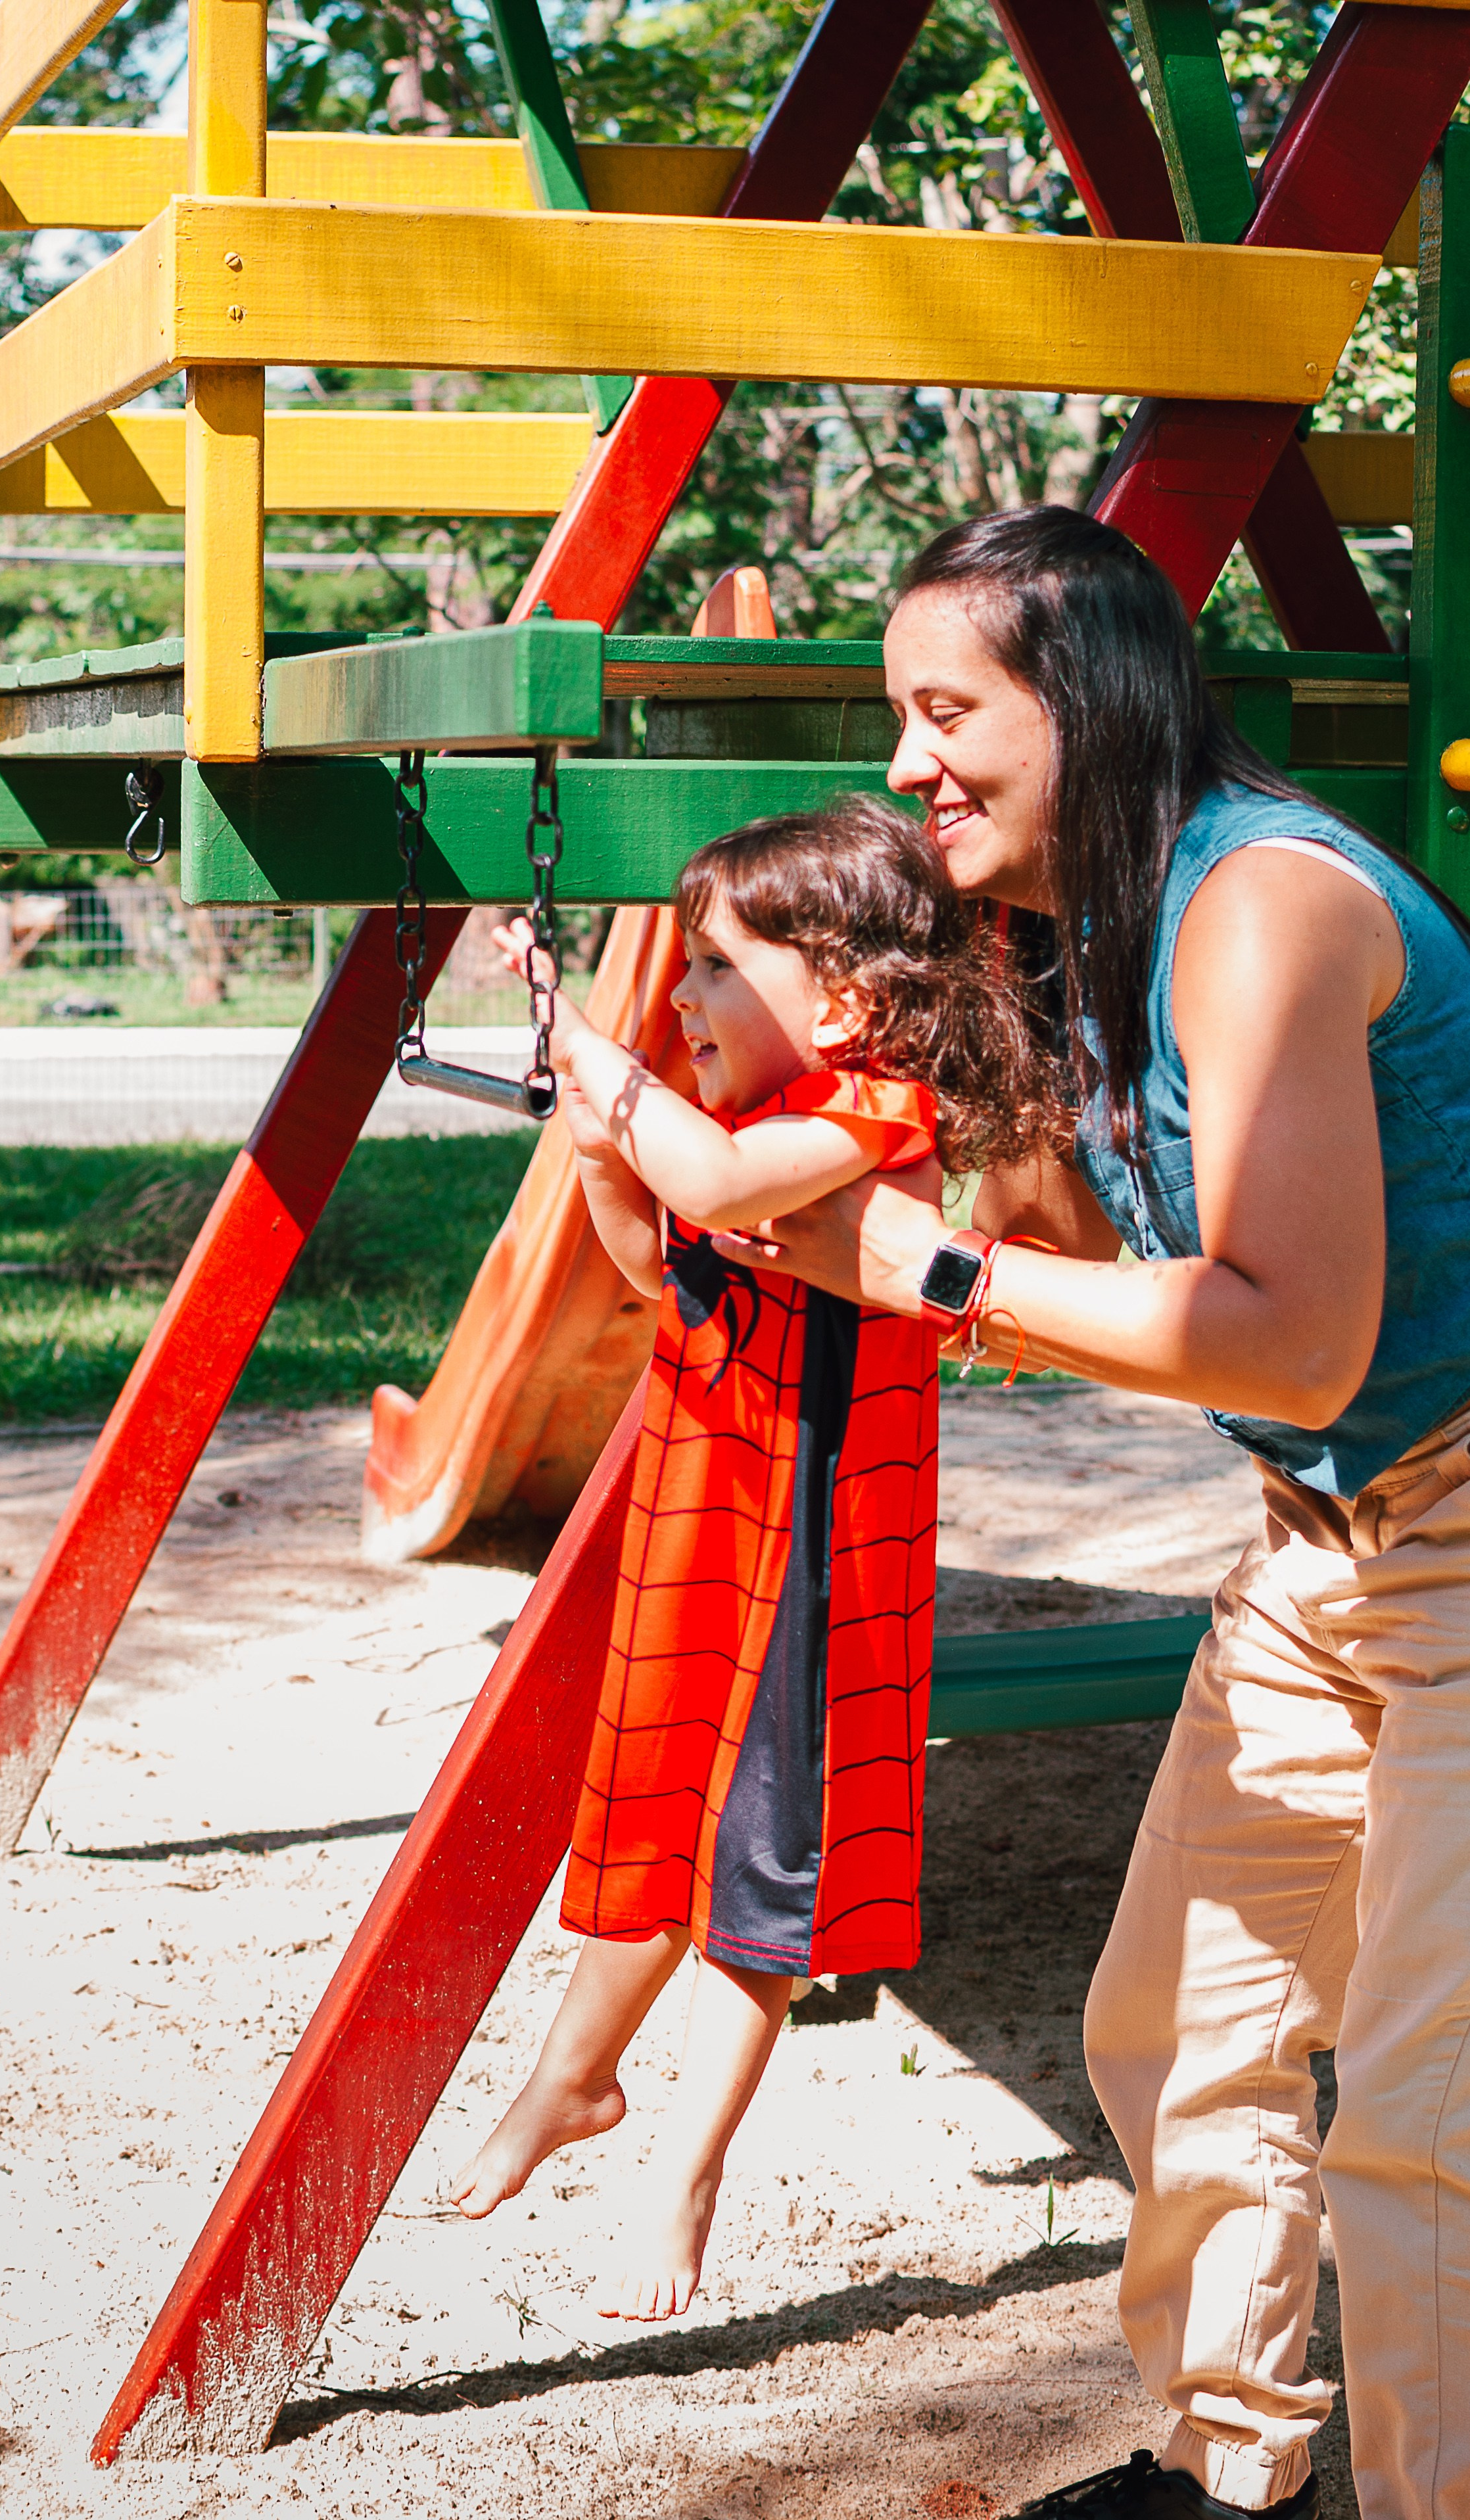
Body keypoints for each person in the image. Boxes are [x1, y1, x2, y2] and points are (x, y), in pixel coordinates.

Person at [723, 505, 1470, 2520]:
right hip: (1324, 1538)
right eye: (898, 715)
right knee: (1172, 2022)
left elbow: (1289, 1337)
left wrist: (931, 1272)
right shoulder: (1095, 931)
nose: (904, 762)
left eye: (944, 708)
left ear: (1090, 703)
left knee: (1416, 2123)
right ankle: (1230, 2469)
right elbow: (1085, 1262)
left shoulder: (1265, 911)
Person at [449, 800, 1062, 2322]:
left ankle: (685, 2169)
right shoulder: (746, 1126)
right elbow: (666, 1258)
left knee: (760, 1876)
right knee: (656, 1822)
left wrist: (608, 1074)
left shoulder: (877, 1120)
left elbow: (717, 1198)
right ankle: (573, 2079)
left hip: (814, 1546)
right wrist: (606, 1152)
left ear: (842, 1001)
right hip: (707, 1515)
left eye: (714, 967)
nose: (680, 999)